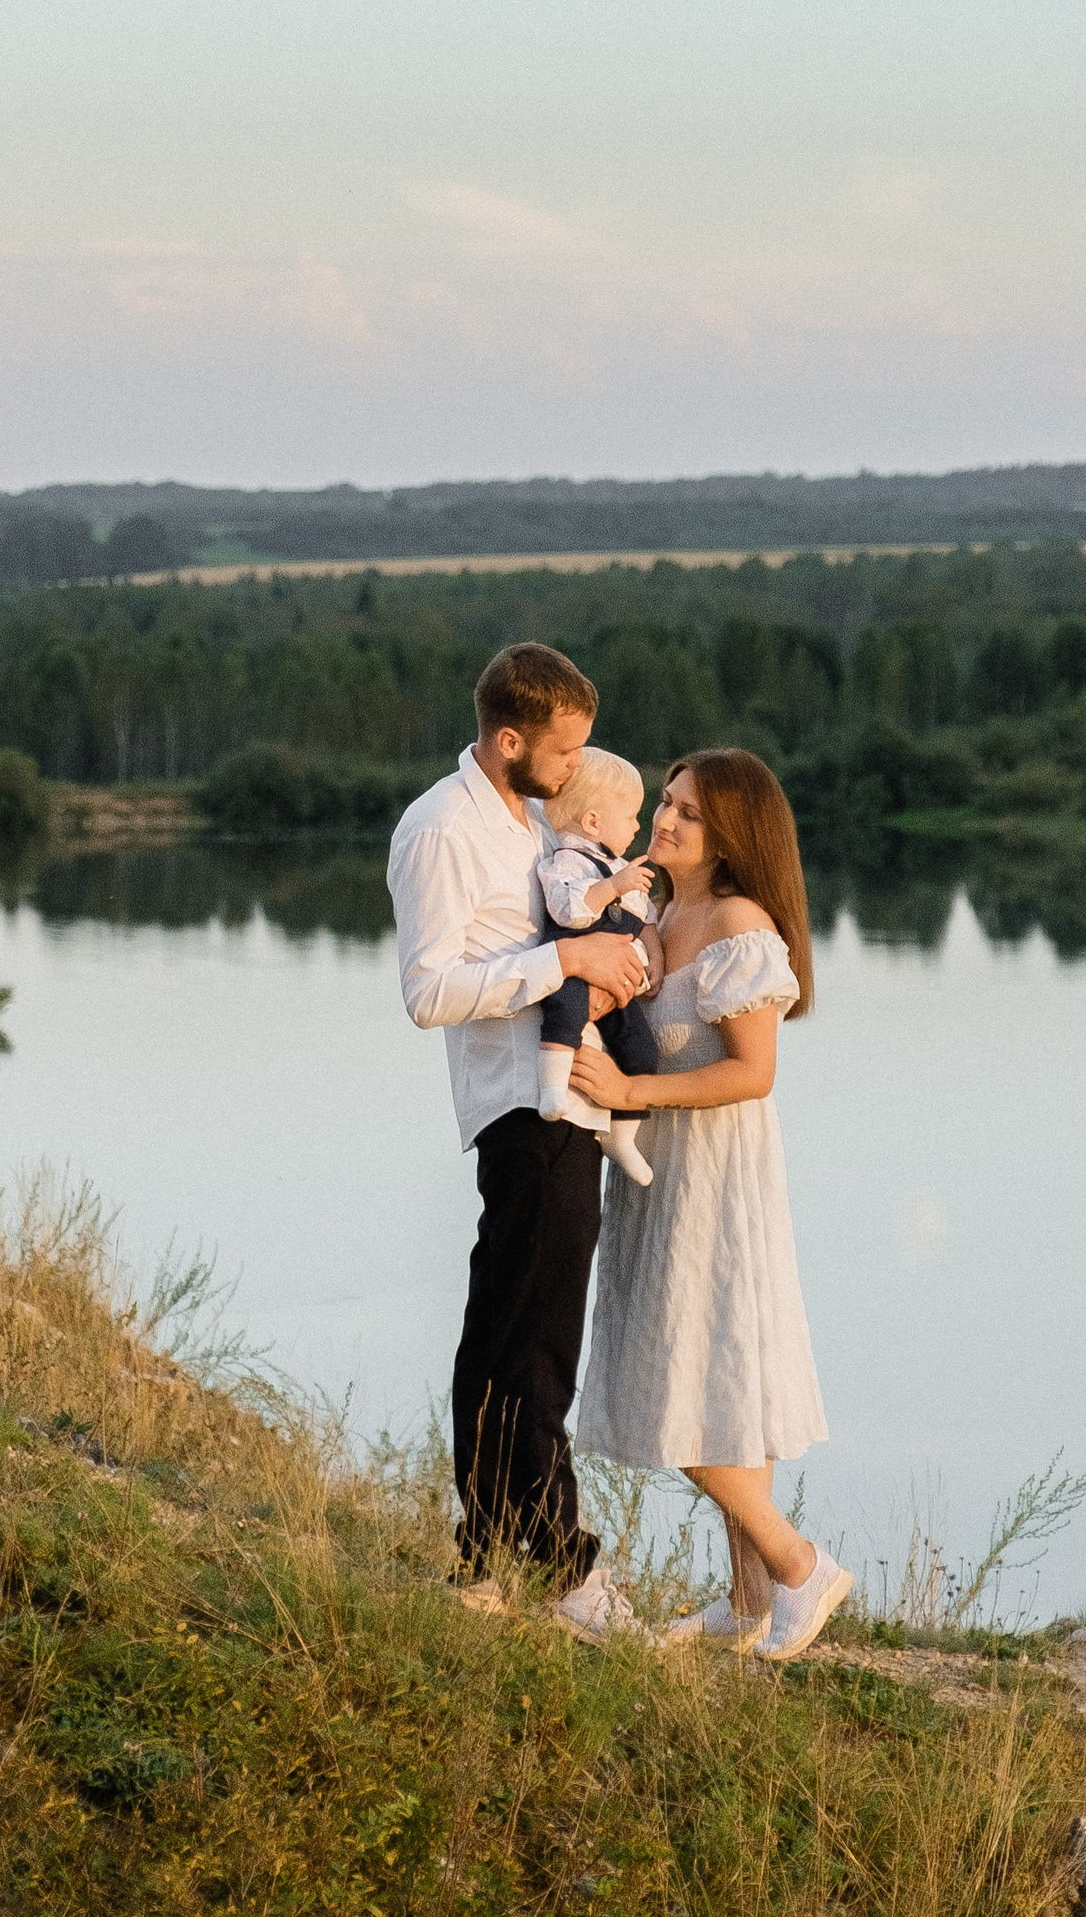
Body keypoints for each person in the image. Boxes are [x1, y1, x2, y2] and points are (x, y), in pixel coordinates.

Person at [386, 643, 650, 1641]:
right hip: (524, 1109)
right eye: (566, 748)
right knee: (537, 1340)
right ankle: (563, 1567)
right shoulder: (441, 829)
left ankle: (489, 1554)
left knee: (506, 1332)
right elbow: (427, 994)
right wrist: (564, 965)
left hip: (562, 1103)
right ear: (509, 740)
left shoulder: (531, 824)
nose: (576, 766)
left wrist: (606, 965)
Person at [567, 745, 853, 1665]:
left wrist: (628, 1091)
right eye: (668, 801)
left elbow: (753, 1073)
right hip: (658, 1173)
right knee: (719, 1382)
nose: (666, 819)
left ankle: (800, 1565)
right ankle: (747, 1600)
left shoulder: (738, 924)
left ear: (731, 834)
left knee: (683, 1386)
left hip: (714, 1179)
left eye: (689, 812)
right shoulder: (661, 909)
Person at [534, 745, 662, 1183]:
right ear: (592, 821)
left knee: (641, 1048)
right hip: (573, 967)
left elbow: (644, 917)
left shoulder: (620, 866)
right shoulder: (565, 862)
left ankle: (622, 1136)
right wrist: (614, 887)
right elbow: (569, 911)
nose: (639, 826)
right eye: (630, 816)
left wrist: (654, 953)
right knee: (567, 1011)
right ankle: (551, 1088)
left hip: (617, 980)